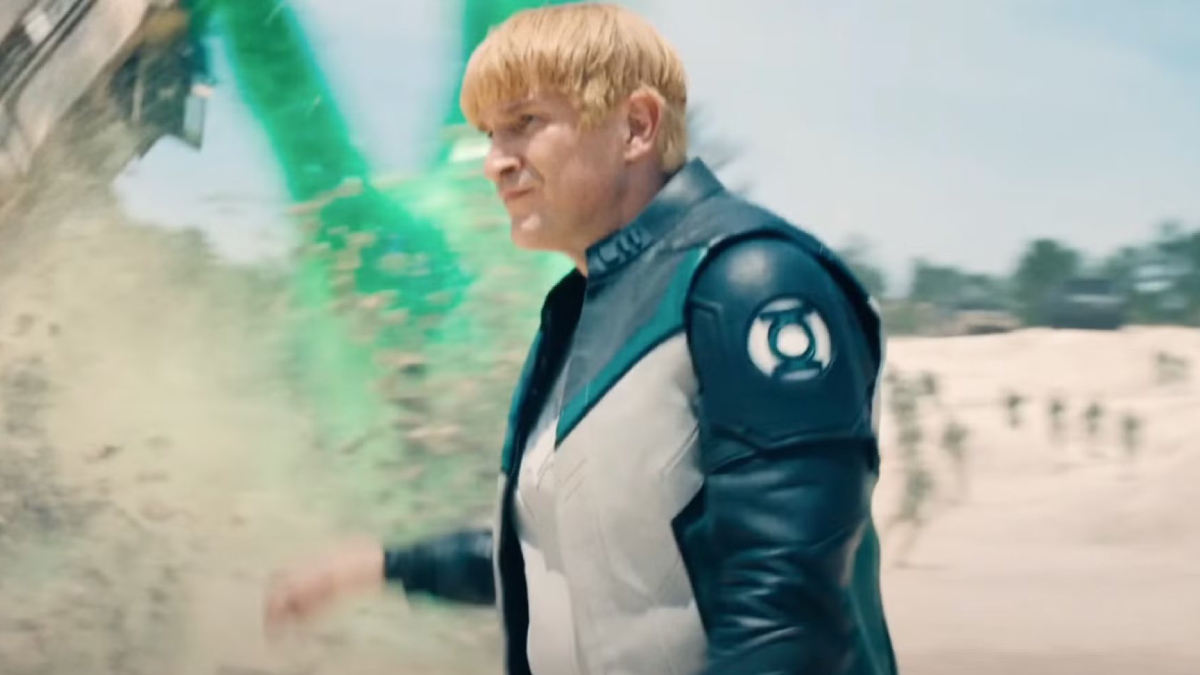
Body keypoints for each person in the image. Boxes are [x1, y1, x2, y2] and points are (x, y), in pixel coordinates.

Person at [264, 4, 898, 674]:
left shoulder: (749, 283)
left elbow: (783, 615)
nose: (494, 162)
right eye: (489, 133)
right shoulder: (580, 312)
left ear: (636, 126)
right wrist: (381, 565)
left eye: (525, 123)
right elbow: (571, 558)